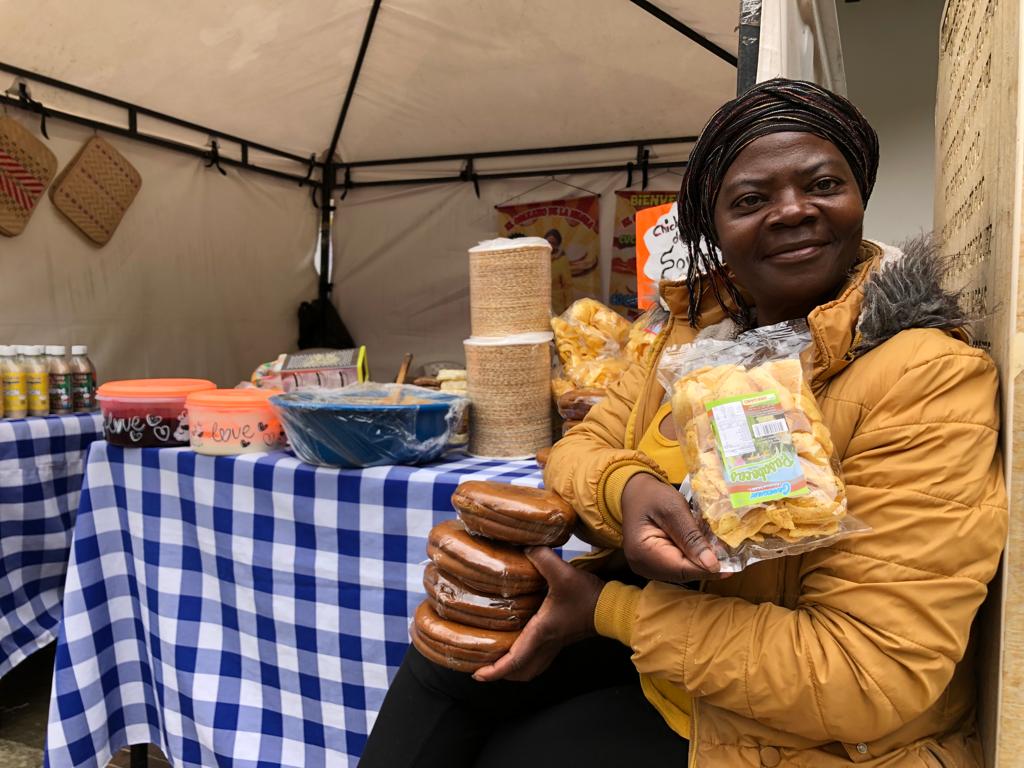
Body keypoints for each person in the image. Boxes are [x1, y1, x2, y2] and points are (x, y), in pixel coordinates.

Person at [360, 79, 1006, 767]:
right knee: (449, 665)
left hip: (810, 729)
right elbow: (579, 447)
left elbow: (867, 673)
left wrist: (608, 611)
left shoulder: (925, 376)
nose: (793, 211)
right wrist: (627, 489)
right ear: (712, 228)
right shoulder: (692, 337)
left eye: (823, 182)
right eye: (751, 200)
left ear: (860, 195)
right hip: (670, 653)